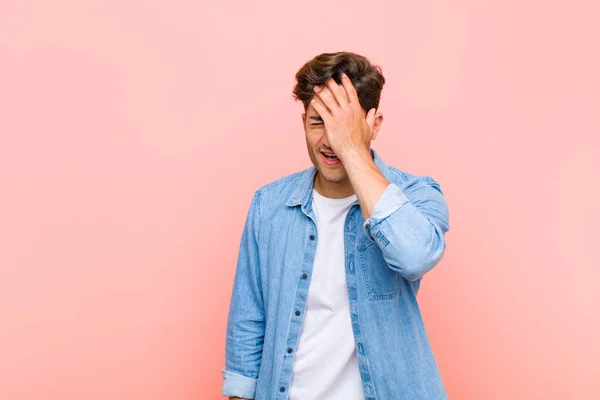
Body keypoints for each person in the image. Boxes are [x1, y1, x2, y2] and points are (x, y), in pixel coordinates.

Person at [221, 51, 450, 400]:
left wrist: (353, 149)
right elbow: (247, 323)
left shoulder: (417, 195)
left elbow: (415, 257)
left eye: (343, 124)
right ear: (302, 123)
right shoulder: (269, 205)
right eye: (318, 122)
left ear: (375, 124)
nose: (330, 140)